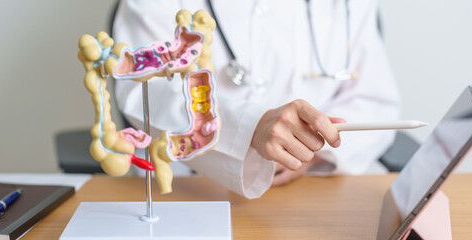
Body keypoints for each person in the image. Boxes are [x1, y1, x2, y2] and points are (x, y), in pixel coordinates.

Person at [112, 0, 400, 199]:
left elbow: (374, 99)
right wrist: (251, 128)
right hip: (189, 186)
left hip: (311, 190)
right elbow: (143, 89)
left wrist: (311, 153)